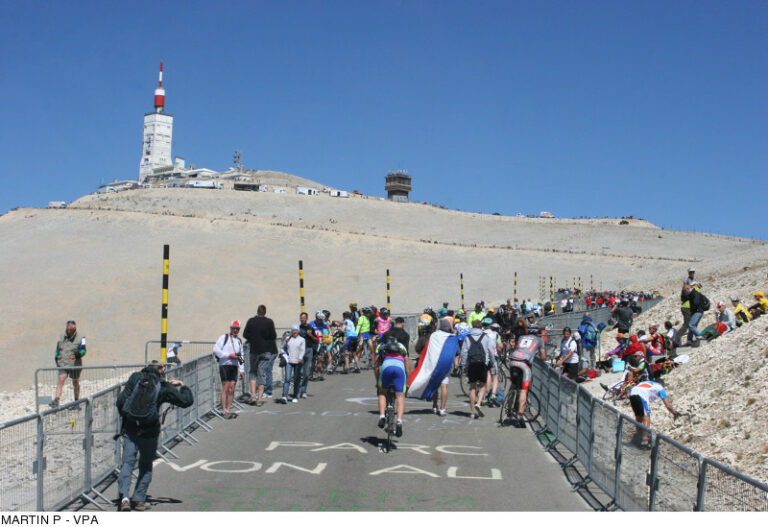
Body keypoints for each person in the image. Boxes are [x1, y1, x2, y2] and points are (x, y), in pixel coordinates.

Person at [116, 360, 193, 511]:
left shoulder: (135, 378)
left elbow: (120, 401)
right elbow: (186, 401)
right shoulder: (163, 386)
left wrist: (127, 419)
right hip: (149, 431)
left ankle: (124, 497)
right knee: (145, 464)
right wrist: (182, 386)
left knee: (127, 463)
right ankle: (139, 499)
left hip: (131, 428)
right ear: (162, 369)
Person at [507, 325, 546, 428]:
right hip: (525, 364)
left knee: (514, 384)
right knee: (524, 390)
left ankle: (508, 407)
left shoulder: (521, 337)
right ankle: (520, 414)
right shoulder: (539, 340)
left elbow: (517, 348)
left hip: (513, 361)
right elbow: (543, 356)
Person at [460, 320, 496, 419]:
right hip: (482, 364)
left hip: (472, 364)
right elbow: (491, 351)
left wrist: (464, 365)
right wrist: (492, 363)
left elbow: (464, 352)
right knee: (483, 386)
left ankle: (472, 411)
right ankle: (479, 403)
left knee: (472, 387)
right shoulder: (485, 336)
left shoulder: (468, 337)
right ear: (480, 327)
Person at [375, 337, 411, 437]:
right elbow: (407, 365)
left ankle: (382, 416)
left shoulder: (381, 346)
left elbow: (376, 366)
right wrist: (408, 381)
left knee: (382, 393)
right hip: (399, 368)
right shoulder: (402, 347)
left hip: (386, 366)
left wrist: (378, 382)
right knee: (400, 396)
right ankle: (399, 421)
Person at [243, 305, 277, 406]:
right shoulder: (269, 322)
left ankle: (253, 395)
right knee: (262, 373)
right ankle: (260, 398)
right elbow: (273, 336)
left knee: (253, 372)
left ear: (257, 311)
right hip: (265, 350)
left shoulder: (251, 321)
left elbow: (245, 334)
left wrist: (253, 337)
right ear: (265, 312)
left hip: (254, 350)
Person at [629, 380, 680, 447]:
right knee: (646, 418)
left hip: (632, 394)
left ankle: (638, 436)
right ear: (662, 384)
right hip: (642, 396)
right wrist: (674, 413)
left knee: (638, 416)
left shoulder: (646, 382)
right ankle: (645, 440)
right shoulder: (660, 387)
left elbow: (632, 388)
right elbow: (667, 405)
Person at [212, 321, 245, 418]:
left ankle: (228, 409)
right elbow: (216, 350)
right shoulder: (224, 337)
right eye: (234, 328)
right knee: (225, 387)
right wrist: (228, 355)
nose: (235, 330)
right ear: (230, 328)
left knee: (232, 388)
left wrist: (242, 370)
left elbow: (241, 355)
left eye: (237, 328)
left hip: (234, 366)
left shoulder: (239, 340)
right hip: (225, 365)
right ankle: (223, 410)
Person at [51, 320, 86, 408]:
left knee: (75, 382)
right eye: (68, 329)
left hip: (75, 364)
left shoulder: (82, 338)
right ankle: (56, 400)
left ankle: (76, 401)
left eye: (71, 330)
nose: (69, 331)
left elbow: (83, 350)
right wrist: (56, 358)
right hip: (63, 363)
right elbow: (57, 348)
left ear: (75, 330)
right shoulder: (61, 336)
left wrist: (77, 355)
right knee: (61, 380)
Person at [280, 325, 305, 403]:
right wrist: (284, 352)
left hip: (297, 361)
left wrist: (300, 357)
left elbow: (302, 350)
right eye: (293, 330)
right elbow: (282, 349)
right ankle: (284, 396)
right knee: (287, 378)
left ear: (298, 331)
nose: (294, 332)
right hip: (289, 361)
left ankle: (295, 396)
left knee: (296, 379)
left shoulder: (302, 339)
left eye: (296, 330)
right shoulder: (288, 339)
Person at [309, 311, 328, 382]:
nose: (321, 321)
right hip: (313, 344)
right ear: (316, 318)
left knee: (320, 359)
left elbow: (328, 326)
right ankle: (310, 375)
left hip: (321, 343)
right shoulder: (311, 324)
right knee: (312, 360)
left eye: (321, 320)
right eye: (320, 320)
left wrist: (330, 335)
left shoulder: (323, 324)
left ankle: (319, 375)